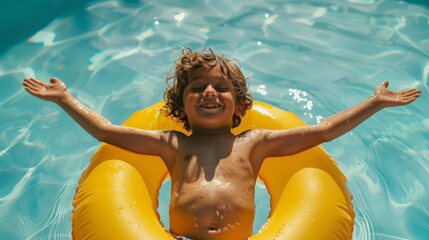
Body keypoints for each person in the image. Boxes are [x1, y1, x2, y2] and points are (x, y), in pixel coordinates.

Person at [22, 48, 421, 240]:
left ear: (239, 104)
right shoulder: (171, 144)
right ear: (180, 105)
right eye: (197, 88)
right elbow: (107, 132)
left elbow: (323, 132)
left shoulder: (255, 143)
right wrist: (64, 99)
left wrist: (374, 103)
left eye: (221, 87)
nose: (209, 92)